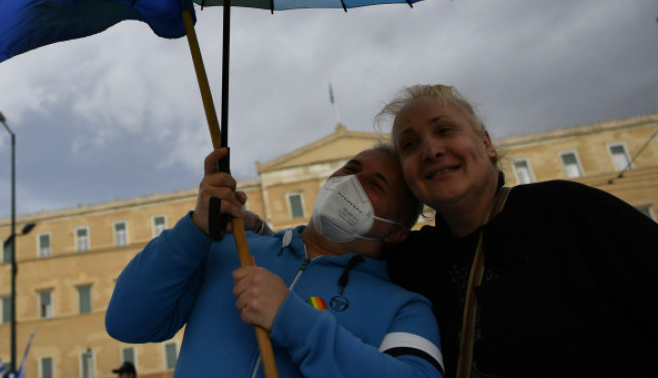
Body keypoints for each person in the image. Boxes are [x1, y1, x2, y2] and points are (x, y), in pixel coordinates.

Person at [382, 84, 658, 377]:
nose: (431, 151)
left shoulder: (568, 211)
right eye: (410, 145)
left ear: (487, 144)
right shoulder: (410, 262)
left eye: (445, 130)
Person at [106, 145, 444, 377]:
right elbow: (127, 322)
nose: (351, 183)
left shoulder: (405, 308)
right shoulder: (229, 249)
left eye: (375, 184)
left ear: (398, 232)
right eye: (350, 169)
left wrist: (293, 320)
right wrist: (194, 230)